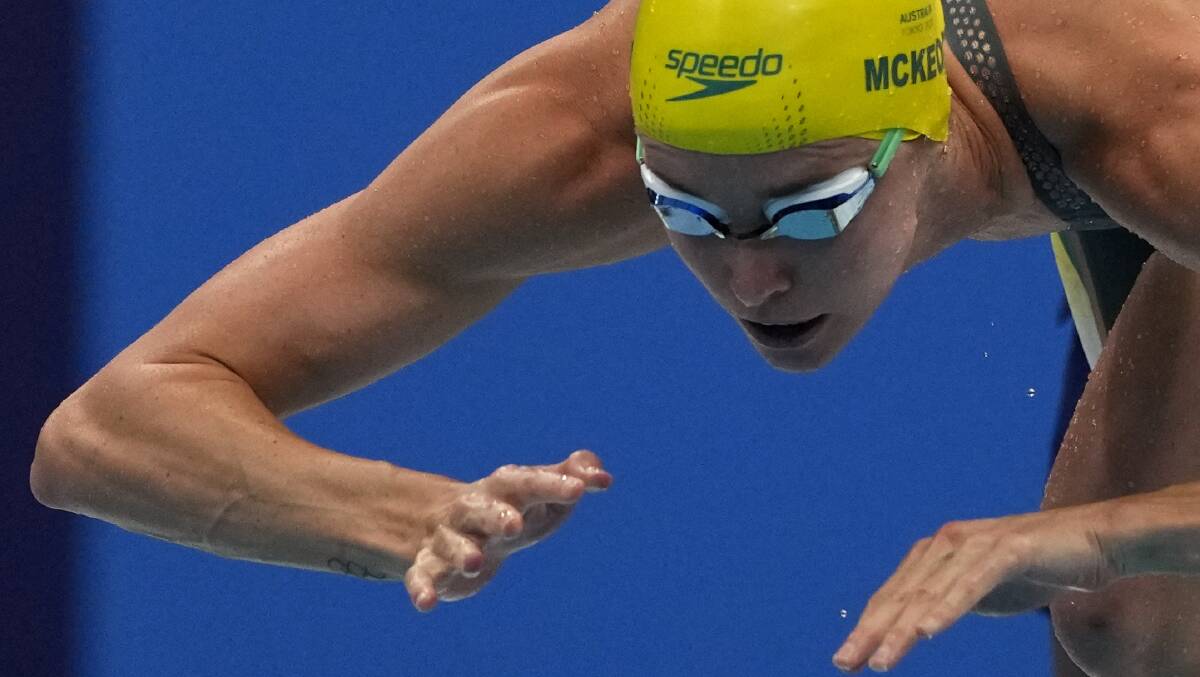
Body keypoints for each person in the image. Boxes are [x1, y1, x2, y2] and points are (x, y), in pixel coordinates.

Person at [30, 0, 1200, 674]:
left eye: (809, 210)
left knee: (1120, 596)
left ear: (929, 129)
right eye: (687, 210)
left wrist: (1092, 533)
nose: (751, 274)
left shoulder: (1159, 109)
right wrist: (397, 514)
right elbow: (107, 426)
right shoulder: (578, 131)